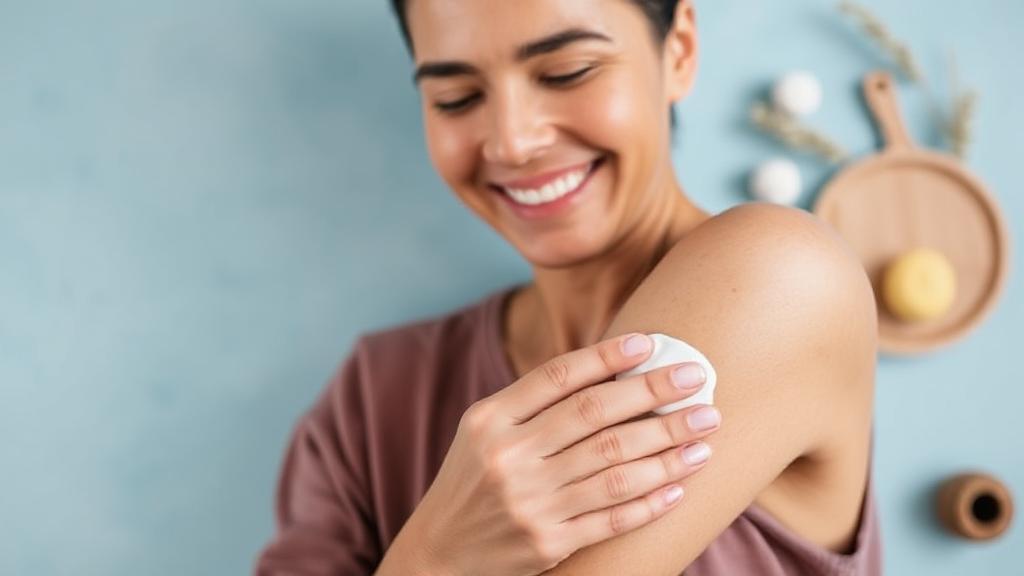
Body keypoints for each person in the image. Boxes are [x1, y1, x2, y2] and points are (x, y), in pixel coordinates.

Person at [255, 0, 882, 574]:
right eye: (455, 96)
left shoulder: (780, 280)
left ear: (679, 51)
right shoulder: (374, 398)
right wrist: (433, 552)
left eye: (568, 72)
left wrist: (434, 559)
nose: (513, 141)